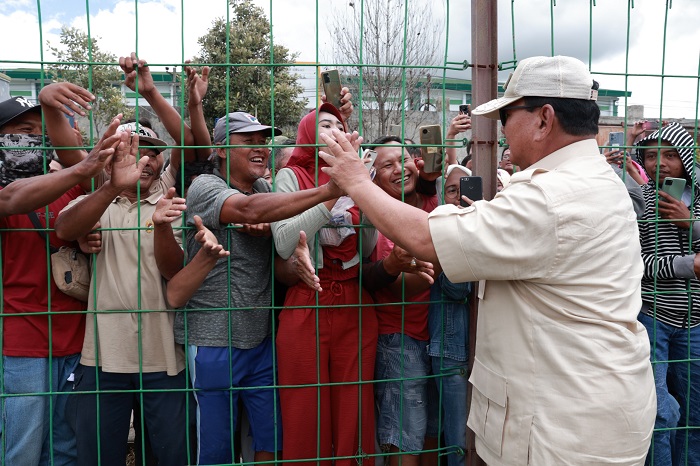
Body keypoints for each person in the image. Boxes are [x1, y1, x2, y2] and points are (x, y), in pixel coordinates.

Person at [317, 55, 656, 466]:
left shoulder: (552, 198)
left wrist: (355, 179)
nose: (501, 129)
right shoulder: (596, 181)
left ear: (544, 119)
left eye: (507, 115)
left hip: (561, 431)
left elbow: (427, 237)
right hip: (586, 411)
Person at [159, 108, 347, 465]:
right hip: (213, 339)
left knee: (272, 439)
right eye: (249, 141)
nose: (260, 148)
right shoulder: (204, 186)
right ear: (222, 148)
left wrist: (296, 262)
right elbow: (247, 211)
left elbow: (276, 250)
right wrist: (329, 191)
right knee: (215, 448)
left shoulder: (263, 186)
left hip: (259, 339)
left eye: (263, 141)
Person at [0, 85, 124, 466]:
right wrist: (84, 167)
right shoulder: (9, 191)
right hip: (22, 343)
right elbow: (11, 200)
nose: (32, 139)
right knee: (22, 449)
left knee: (66, 449)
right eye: (19, 130)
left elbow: (96, 190)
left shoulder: (69, 190)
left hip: (75, 339)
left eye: (40, 132)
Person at [55, 124, 191, 466]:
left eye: (151, 152)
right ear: (107, 161)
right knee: (98, 456)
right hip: (102, 357)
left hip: (163, 358)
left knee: (170, 456)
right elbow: (64, 228)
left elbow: (173, 270)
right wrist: (113, 187)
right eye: (129, 151)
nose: (143, 159)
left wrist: (161, 226)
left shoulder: (171, 204)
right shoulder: (94, 202)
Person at [270, 102, 379, 466]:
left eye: (339, 124)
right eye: (324, 123)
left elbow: (366, 249)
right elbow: (285, 242)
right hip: (307, 297)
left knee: (354, 408)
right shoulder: (290, 176)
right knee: (304, 408)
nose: (334, 129)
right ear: (306, 133)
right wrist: (333, 193)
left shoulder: (358, 176)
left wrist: (366, 194)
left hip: (353, 300)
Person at [362, 136, 437, 466]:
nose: (398, 169)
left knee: (430, 436)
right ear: (373, 176)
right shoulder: (380, 220)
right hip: (399, 341)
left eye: (403, 160)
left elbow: (436, 169)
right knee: (404, 439)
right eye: (387, 165)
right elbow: (401, 287)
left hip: (434, 338)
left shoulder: (426, 204)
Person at [634, 121, 700, 466]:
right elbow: (635, 263)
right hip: (653, 319)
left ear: (686, 159)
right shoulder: (640, 202)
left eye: (670, 155)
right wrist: (686, 265)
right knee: (658, 413)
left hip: (696, 325)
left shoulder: (698, 202)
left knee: (695, 415)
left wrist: (689, 223)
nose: (659, 163)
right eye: (650, 156)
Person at [427, 163, 472, 466]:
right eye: (452, 190)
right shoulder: (441, 228)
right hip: (450, 350)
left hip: (470, 351)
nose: (458, 197)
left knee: (459, 435)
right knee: (453, 438)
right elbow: (458, 289)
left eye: (465, 190)